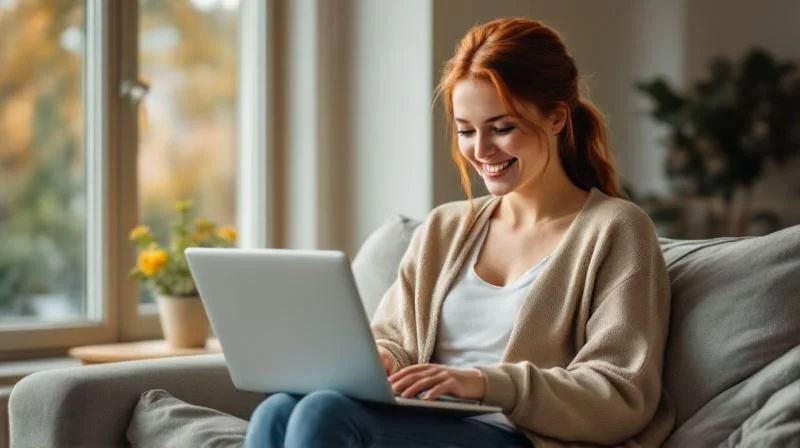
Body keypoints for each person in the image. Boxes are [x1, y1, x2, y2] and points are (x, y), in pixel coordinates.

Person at [244, 17, 675, 448]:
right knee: (278, 408)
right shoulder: (444, 228)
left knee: (325, 414)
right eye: (467, 130)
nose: (481, 151)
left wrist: (482, 383)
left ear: (558, 118)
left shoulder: (616, 229)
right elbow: (393, 337)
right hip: (426, 424)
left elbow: (622, 395)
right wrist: (384, 360)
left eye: (502, 128)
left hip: (525, 437)